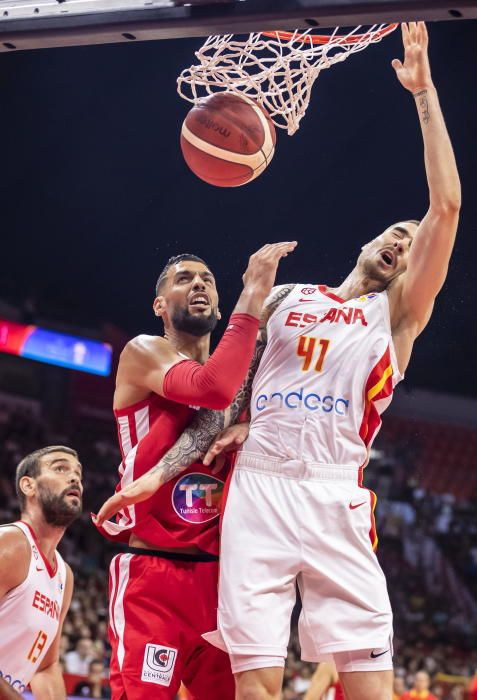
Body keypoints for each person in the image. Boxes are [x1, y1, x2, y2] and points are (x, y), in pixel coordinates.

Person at [96, 22, 460, 700]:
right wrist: (161, 475)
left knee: (366, 687)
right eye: (396, 234)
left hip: (332, 490)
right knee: (253, 686)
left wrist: (424, 91)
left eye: (414, 248)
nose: (404, 245)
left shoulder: (397, 317)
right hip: (257, 486)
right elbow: (222, 405)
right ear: (372, 237)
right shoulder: (287, 298)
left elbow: (445, 206)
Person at [93, 242, 296, 700]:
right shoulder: (144, 351)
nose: (199, 283)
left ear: (220, 306)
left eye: (206, 279)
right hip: (156, 576)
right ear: (159, 306)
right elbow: (212, 388)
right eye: (184, 279)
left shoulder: (247, 380)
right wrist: (252, 295)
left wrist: (249, 424)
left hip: (225, 580)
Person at [0, 446, 83, 699]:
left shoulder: (63, 576)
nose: (74, 478)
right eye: (60, 468)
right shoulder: (10, 544)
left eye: (79, 474)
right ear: (28, 486)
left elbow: (45, 667)